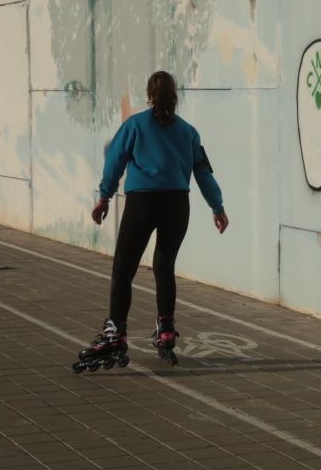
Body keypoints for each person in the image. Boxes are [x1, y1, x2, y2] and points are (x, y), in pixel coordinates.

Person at [82, 71, 228, 367]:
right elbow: (203, 172)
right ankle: (166, 331)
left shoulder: (134, 125)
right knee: (164, 266)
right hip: (177, 204)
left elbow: (115, 163)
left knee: (124, 268)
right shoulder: (188, 132)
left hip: (143, 202)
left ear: (149, 96)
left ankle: (116, 333)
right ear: (175, 97)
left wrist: (103, 197)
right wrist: (217, 207)